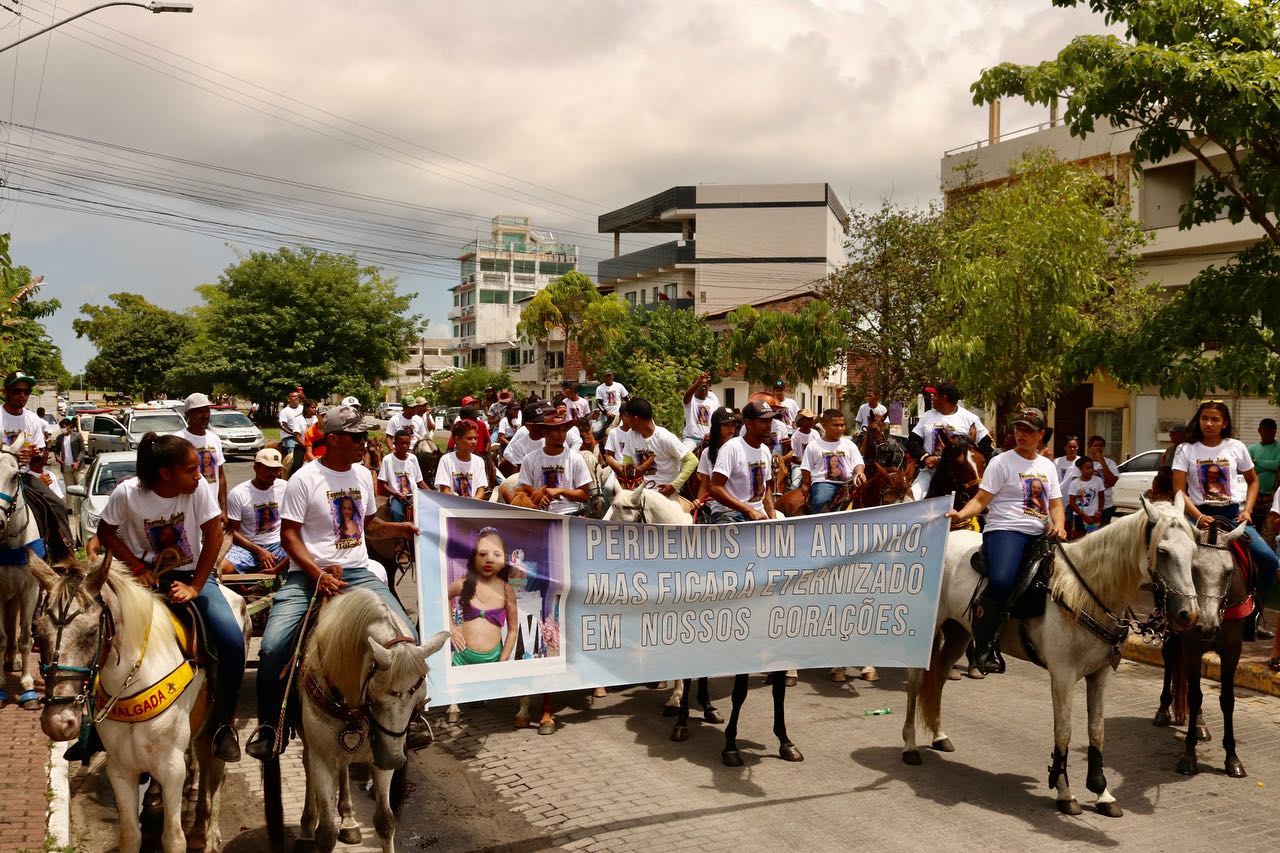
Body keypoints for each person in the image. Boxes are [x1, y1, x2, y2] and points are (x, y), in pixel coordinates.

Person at [246, 404, 421, 760]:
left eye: (365, 435)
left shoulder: (361, 475)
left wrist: (399, 528)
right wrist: (317, 573)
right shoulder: (304, 479)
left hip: (357, 572)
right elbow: (289, 537)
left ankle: (415, 717)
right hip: (308, 575)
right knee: (273, 646)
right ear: (334, 439)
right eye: (357, 436)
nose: (365, 442)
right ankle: (270, 727)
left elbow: (367, 525)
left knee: (410, 640)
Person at [97, 433, 243, 761]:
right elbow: (105, 533)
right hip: (141, 581)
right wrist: (135, 566)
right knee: (100, 633)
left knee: (232, 641)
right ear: (165, 473)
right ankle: (91, 727)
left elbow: (214, 535)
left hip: (192, 576)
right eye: (190, 470)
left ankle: (224, 725)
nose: (199, 475)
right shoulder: (128, 493)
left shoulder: (198, 490)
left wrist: (195, 586)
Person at [945, 408, 1066, 675]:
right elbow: (980, 500)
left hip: (1039, 533)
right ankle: (984, 646)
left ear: (1041, 435)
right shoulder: (1001, 463)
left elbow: (1056, 504)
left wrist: (1059, 525)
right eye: (1018, 429)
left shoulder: (1047, 466)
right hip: (1005, 530)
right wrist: (960, 514)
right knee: (1001, 580)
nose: (1021, 434)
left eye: (1028, 430)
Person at [1172, 400, 1280, 641]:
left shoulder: (1236, 447)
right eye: (1204, 418)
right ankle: (1169, 616)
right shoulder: (1185, 450)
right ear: (1198, 420)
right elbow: (1179, 490)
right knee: (1170, 559)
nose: (1209, 423)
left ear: (1225, 423)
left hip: (1231, 516)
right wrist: (1198, 517)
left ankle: (1253, 618)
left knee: (1270, 561)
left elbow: (1253, 481)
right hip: (1197, 517)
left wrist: (1248, 510)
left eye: (1215, 419)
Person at [2, 371, 72, 561]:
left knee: (56, 504)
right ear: (5, 392)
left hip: (24, 476)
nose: (22, 396)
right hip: (1, 478)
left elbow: (42, 455)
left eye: (26, 391)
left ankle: (65, 557)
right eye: (17, 391)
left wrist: (34, 454)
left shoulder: (32, 419)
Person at [448, 527, 519, 665]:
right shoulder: (464, 584)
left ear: (504, 559)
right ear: (474, 557)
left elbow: (513, 630)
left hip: (494, 660)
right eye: (483, 554)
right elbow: (444, 596)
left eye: (496, 554)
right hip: (462, 658)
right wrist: (451, 628)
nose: (489, 560)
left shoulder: (506, 590)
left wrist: (502, 660)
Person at [908, 381, 993, 497]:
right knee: (912, 499)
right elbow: (913, 441)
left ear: (943, 398)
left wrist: (966, 462)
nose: (932, 398)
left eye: (935, 395)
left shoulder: (970, 418)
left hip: (960, 478)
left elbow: (987, 445)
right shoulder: (927, 416)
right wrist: (925, 457)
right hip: (930, 472)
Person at [707, 401, 778, 523]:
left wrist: (774, 519)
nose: (768, 425)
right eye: (763, 421)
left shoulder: (765, 450)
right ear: (749, 424)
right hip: (728, 513)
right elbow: (715, 488)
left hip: (757, 514)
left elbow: (766, 490)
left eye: (769, 421)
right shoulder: (731, 448)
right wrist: (748, 510)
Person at [222, 448, 289, 574]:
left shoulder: (285, 487)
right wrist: (259, 551)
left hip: (278, 544)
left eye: (277, 469)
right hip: (248, 546)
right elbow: (232, 532)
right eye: (269, 469)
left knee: (308, 556)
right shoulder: (239, 493)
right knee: (222, 567)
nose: (274, 474)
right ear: (256, 468)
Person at [516, 404, 590, 515]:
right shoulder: (529, 459)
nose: (561, 434)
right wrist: (538, 497)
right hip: (540, 513)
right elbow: (524, 488)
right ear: (545, 433)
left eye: (564, 430)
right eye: (556, 430)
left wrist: (562, 491)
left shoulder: (576, 458)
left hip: (569, 513)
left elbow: (584, 495)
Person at [621, 398, 697, 497]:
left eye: (628, 416)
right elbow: (627, 463)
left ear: (635, 419)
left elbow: (692, 460)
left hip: (664, 496)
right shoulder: (631, 434)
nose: (626, 420)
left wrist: (673, 486)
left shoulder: (664, 437)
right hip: (640, 493)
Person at [802, 409, 867, 514]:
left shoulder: (849, 444)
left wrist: (860, 472)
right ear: (824, 425)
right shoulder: (813, 446)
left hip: (850, 483)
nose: (840, 429)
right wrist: (805, 483)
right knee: (820, 501)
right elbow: (806, 467)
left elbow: (858, 462)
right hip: (824, 483)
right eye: (836, 425)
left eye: (842, 425)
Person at [180, 392, 228, 514]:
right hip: (188, 510)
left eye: (207, 410)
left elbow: (220, 476)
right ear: (188, 414)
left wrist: (223, 509)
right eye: (199, 411)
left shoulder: (214, 439)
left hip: (213, 511)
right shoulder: (179, 440)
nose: (205, 415)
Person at [378, 428, 428, 522]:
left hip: (414, 495)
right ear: (395, 443)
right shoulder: (387, 460)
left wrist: (432, 494)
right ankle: (399, 535)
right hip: (397, 497)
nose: (405, 446)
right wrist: (395, 493)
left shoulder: (413, 458)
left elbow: (419, 481)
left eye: (407, 443)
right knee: (395, 512)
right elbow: (382, 483)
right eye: (401, 443)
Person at [695, 408, 741, 504]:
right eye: (726, 424)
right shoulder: (707, 453)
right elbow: (704, 485)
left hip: (740, 503)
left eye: (733, 425)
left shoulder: (740, 449)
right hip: (716, 506)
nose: (730, 428)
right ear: (716, 427)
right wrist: (699, 502)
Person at [436, 419, 489, 500]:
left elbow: (481, 490)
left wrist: (472, 504)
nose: (474, 442)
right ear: (457, 440)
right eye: (469, 438)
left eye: (475, 438)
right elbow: (444, 490)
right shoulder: (446, 460)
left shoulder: (479, 461)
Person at [1250, 418, 1280, 537]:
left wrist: (1257, 462)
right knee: (1253, 528)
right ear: (1259, 430)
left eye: (1271, 429)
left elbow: (1277, 464)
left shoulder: (1278, 448)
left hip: (1272, 498)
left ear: (1275, 431)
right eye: (1265, 429)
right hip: (1255, 498)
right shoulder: (1252, 449)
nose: (1268, 432)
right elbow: (1249, 468)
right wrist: (1269, 466)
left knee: (1268, 531)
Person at [1082, 435, 1120, 525]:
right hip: (1088, 505)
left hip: (1106, 506)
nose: (1098, 448)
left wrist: (1102, 462)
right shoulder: (1083, 462)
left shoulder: (1111, 463)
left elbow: (1112, 482)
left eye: (1100, 445)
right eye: (1095, 445)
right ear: (1089, 447)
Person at [681, 374, 720, 452]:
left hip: (709, 440)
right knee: (685, 456)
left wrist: (711, 434)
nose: (703, 388)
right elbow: (687, 395)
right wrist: (698, 383)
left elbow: (716, 423)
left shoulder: (713, 403)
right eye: (700, 386)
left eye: (705, 386)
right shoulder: (691, 401)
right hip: (691, 440)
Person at [1067, 457, 1105, 537]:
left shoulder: (1098, 480)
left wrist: (1099, 512)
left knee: (1094, 539)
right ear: (1080, 469)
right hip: (1079, 516)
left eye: (1092, 468)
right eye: (1087, 468)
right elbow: (1072, 503)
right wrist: (1084, 516)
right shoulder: (1074, 483)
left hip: (1094, 516)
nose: (1091, 470)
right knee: (1080, 539)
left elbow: (1102, 498)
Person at [786, 409, 817, 490]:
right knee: (794, 485)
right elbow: (793, 457)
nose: (810, 421)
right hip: (799, 465)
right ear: (801, 421)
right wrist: (806, 463)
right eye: (807, 419)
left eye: (811, 419)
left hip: (815, 465)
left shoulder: (815, 433)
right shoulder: (795, 436)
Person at [278, 390, 306, 477]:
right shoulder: (285, 411)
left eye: (297, 396)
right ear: (288, 399)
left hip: (303, 435)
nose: (296, 397)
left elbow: (310, 407)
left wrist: (304, 397)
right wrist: (293, 433)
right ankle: (291, 471)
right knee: (292, 448)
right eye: (293, 396)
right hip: (290, 437)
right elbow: (283, 425)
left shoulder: (302, 408)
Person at [53, 417, 83, 488]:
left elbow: (82, 450)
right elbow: (56, 450)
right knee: (69, 488)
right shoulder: (59, 438)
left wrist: (78, 461)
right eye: (61, 427)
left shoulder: (77, 436)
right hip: (66, 467)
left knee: (81, 487)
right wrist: (57, 457)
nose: (62, 429)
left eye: (64, 427)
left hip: (78, 466)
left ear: (69, 426)